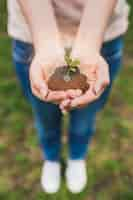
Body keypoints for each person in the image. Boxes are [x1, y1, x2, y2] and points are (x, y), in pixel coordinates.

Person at [7, 0, 129, 194]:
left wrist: (89, 42)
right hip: (30, 33)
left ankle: (77, 156)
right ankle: (51, 158)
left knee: (85, 118)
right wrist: (45, 41)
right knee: (45, 117)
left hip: (104, 31)